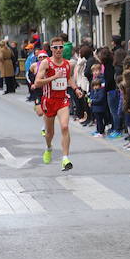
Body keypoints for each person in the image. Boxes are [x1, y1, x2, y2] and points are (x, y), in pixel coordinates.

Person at [33, 36, 84, 170]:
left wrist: (76, 89)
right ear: (51, 49)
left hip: (62, 100)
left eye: (60, 47)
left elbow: (69, 78)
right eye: (55, 47)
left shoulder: (67, 64)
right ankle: (49, 148)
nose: (58, 50)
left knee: (65, 127)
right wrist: (53, 77)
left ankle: (65, 158)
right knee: (50, 133)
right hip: (49, 101)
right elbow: (37, 82)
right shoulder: (46, 63)